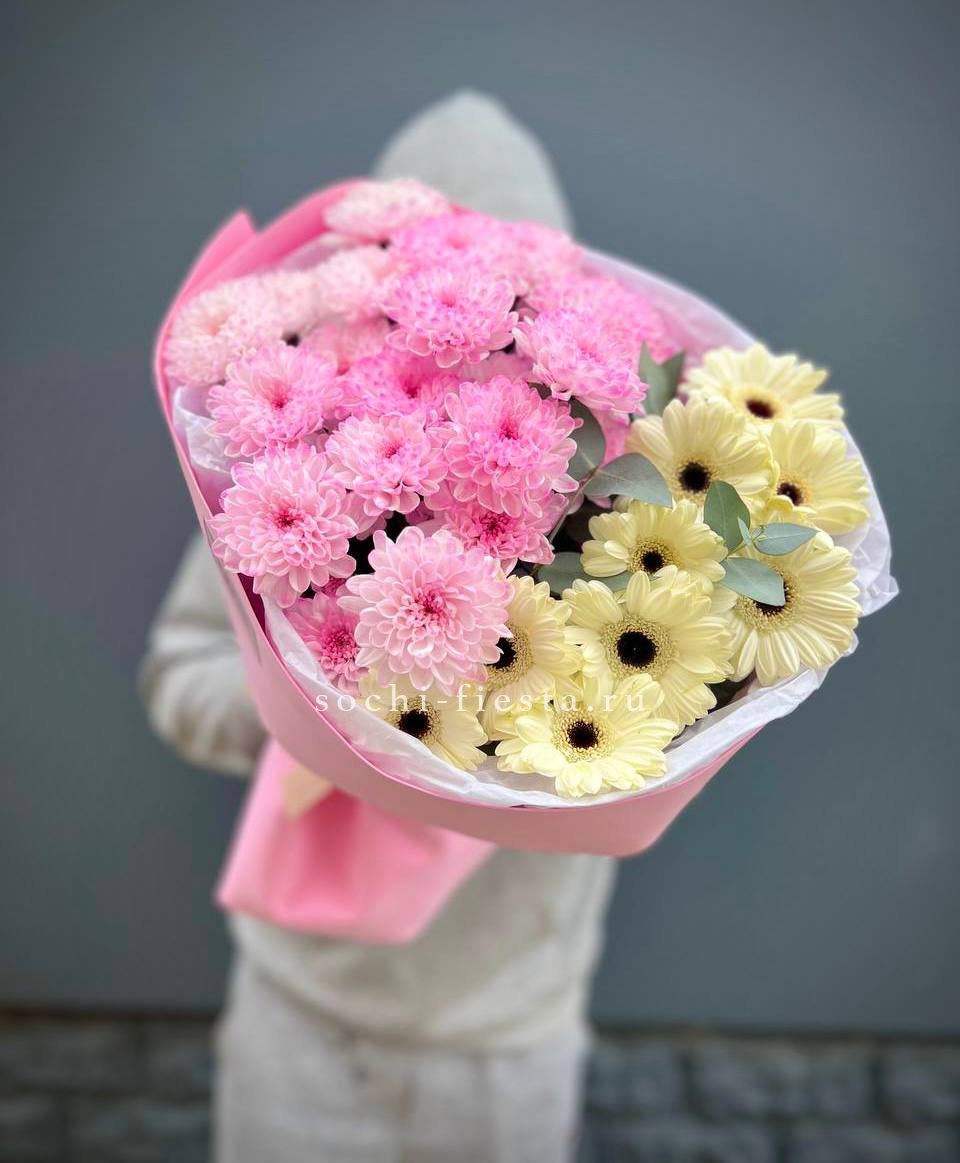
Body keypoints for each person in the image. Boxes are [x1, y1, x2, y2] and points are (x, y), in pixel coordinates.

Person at [141, 91, 615, 1163]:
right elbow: (180, 673)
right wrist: (311, 709)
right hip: (304, 1022)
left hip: (507, 1035)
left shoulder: (630, 492)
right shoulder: (282, 480)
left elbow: (665, 720)